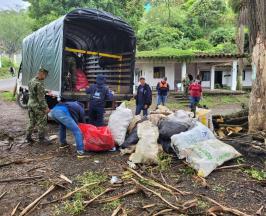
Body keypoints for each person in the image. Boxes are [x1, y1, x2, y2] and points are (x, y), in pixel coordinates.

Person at [25, 68, 51, 144]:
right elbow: (41, 98)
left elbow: (33, 92)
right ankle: (42, 139)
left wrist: (44, 91)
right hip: (37, 106)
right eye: (45, 76)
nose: (45, 77)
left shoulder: (32, 80)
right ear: (42, 74)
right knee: (42, 122)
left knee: (32, 122)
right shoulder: (39, 84)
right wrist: (46, 107)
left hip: (30, 104)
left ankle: (28, 137)